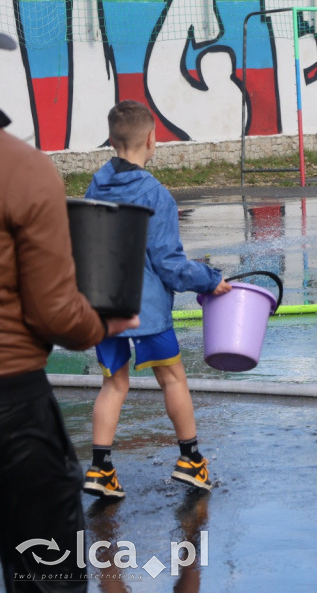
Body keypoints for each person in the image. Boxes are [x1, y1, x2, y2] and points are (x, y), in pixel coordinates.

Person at [1, 29, 139, 590]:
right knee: (46, 571)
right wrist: (101, 325)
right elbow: (56, 312)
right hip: (12, 408)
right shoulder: (22, 169)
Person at [82, 100, 231, 499]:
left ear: (111, 140)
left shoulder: (95, 185)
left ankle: (99, 469)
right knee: (172, 378)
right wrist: (210, 281)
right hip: (145, 310)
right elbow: (169, 264)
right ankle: (191, 460)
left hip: (104, 307)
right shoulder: (156, 195)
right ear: (153, 139)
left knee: (114, 384)